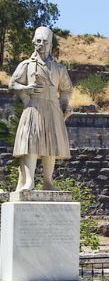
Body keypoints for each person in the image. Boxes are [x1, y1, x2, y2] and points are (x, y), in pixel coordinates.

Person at [9, 26, 73, 191]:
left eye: (45, 42)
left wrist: (65, 104)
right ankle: (29, 181)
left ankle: (48, 182)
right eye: (38, 41)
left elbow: (66, 89)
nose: (42, 44)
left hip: (53, 108)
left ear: (50, 44)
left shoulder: (59, 68)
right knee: (31, 143)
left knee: (50, 146)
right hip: (34, 106)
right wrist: (26, 88)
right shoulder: (26, 65)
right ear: (33, 42)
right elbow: (12, 84)